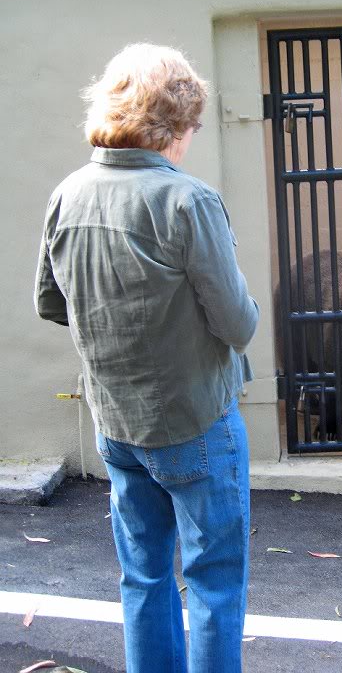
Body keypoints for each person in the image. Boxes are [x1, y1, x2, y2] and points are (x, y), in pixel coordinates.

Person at [34, 43, 259, 673]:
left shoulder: (67, 195)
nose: (190, 139)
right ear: (174, 124)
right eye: (190, 127)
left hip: (117, 425)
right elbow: (237, 323)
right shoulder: (188, 201)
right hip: (195, 423)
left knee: (143, 577)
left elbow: (51, 304)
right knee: (214, 582)